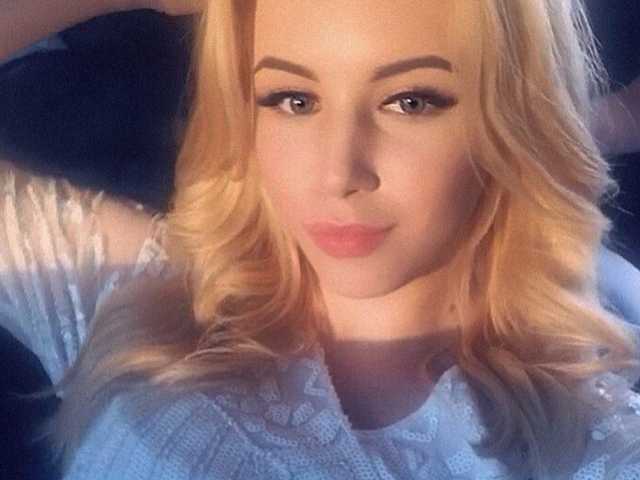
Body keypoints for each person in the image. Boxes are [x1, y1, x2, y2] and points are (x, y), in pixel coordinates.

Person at [2, 0, 640, 479]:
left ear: (512, 121)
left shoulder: (593, 447)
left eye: (411, 102)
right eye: (293, 100)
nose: (338, 173)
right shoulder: (145, 301)